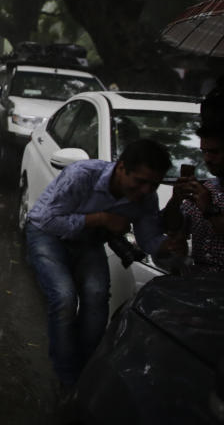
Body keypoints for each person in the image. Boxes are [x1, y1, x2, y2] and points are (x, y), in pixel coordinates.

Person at [23, 138, 186, 391]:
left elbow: (149, 240)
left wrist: (168, 246)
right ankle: (68, 378)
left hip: (88, 242)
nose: (144, 190)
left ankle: (87, 372)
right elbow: (46, 220)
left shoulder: (146, 199)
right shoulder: (82, 175)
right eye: (140, 181)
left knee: (97, 296)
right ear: (121, 168)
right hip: (47, 235)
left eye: (152, 184)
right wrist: (101, 219)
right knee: (64, 298)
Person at [161, 124, 224, 274]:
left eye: (214, 152)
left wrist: (209, 208)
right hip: (199, 282)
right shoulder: (206, 189)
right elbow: (171, 226)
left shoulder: (205, 195)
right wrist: (175, 201)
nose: (207, 158)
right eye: (205, 151)